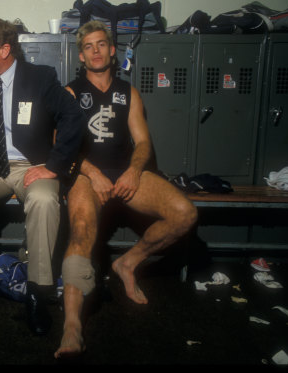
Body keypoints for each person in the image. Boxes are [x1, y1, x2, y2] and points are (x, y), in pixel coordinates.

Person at [54, 21, 198, 358]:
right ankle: (72, 325)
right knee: (82, 230)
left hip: (126, 172)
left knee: (184, 214)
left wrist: (134, 171)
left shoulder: (128, 92)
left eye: (101, 44)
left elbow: (144, 141)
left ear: (112, 49)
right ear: (81, 54)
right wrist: (92, 173)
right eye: (88, 46)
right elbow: (62, 146)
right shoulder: (71, 93)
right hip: (86, 175)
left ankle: (128, 263)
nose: (96, 50)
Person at [0, 18, 85, 335]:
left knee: (43, 199)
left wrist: (54, 164)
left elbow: (73, 117)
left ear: (4, 49)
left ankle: (38, 293)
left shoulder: (40, 78)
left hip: (32, 166)